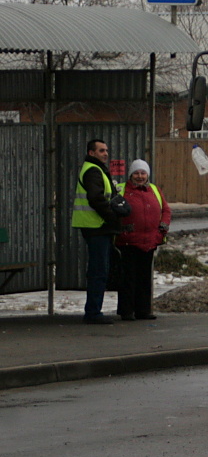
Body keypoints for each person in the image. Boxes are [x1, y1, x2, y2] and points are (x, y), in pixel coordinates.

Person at [71, 138, 122, 324]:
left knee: (99, 269)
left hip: (96, 226)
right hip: (96, 226)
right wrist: (112, 217)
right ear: (91, 153)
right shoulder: (93, 170)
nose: (106, 154)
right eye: (101, 151)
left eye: (106, 150)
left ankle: (94, 310)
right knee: (99, 271)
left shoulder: (96, 168)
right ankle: (93, 312)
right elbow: (96, 198)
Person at [115, 159, 171, 321]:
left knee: (144, 279)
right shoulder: (121, 190)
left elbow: (166, 210)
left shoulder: (154, 189)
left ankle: (143, 310)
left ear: (147, 175)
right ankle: (126, 311)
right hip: (128, 242)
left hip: (149, 242)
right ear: (131, 175)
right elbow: (114, 210)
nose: (140, 176)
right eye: (136, 173)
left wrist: (163, 226)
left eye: (143, 173)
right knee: (128, 278)